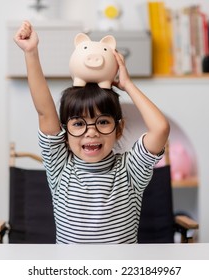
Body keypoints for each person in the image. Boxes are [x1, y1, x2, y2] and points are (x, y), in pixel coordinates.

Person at [14, 21, 170, 244]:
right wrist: (30, 52)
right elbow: (44, 112)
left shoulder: (130, 169)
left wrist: (127, 84)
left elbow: (160, 128)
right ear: (65, 131)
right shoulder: (60, 166)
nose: (91, 133)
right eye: (78, 124)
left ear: (119, 128)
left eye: (103, 122)